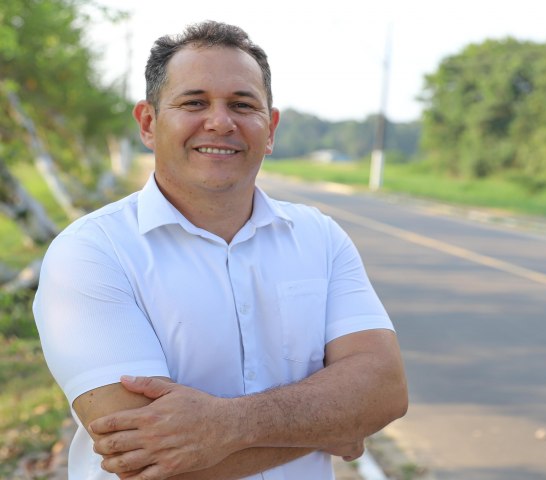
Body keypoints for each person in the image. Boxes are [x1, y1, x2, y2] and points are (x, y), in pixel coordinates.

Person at [33, 20, 408, 480]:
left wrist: (224, 426)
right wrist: (330, 426)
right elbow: (141, 456)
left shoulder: (320, 237)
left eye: (242, 104)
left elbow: (384, 391)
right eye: (194, 102)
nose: (220, 121)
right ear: (149, 123)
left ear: (269, 129)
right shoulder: (90, 253)